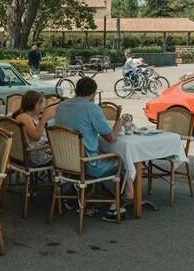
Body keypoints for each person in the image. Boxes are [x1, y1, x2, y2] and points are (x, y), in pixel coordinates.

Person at [54, 77, 128, 221]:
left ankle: (90, 197)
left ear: (76, 90)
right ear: (93, 93)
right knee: (123, 162)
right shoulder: (91, 108)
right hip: (87, 164)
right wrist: (118, 125)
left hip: (63, 162)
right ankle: (115, 207)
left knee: (102, 154)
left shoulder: (61, 106)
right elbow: (111, 138)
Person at [11, 90, 52, 165]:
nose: (43, 106)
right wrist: (43, 119)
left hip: (20, 155)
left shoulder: (23, 116)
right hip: (32, 157)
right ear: (34, 104)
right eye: (41, 103)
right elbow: (36, 137)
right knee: (62, 153)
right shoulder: (24, 118)